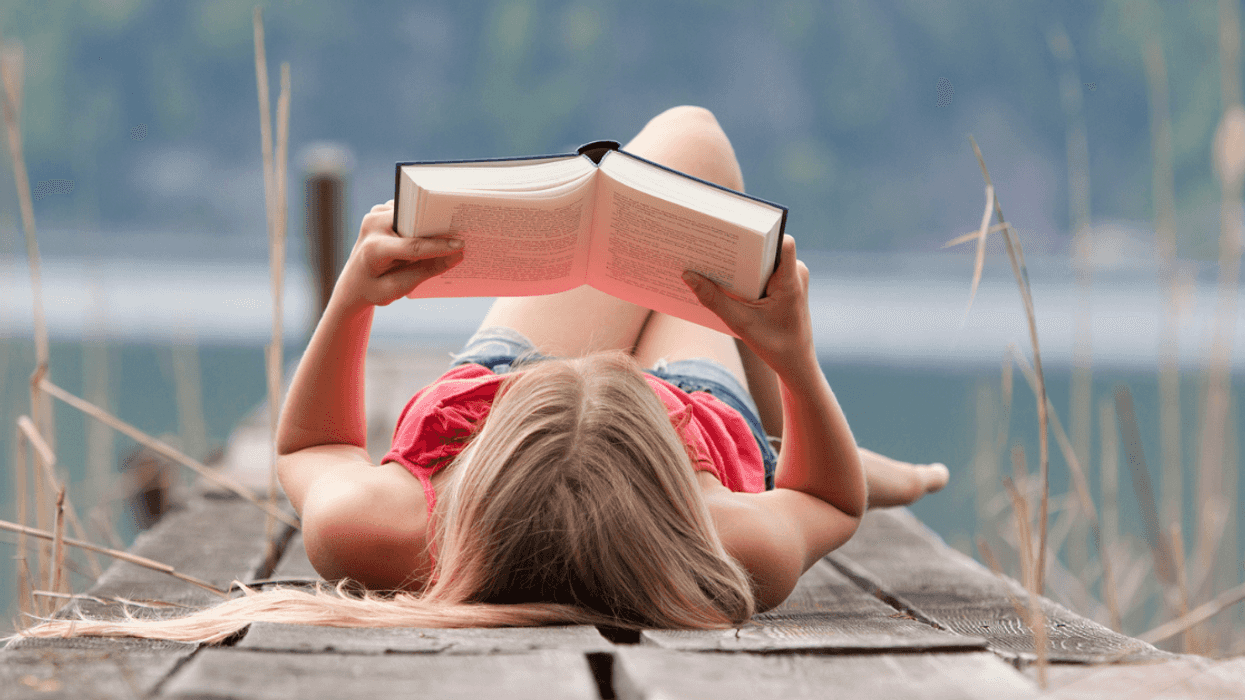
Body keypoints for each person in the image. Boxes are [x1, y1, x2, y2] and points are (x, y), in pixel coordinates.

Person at [17, 106, 947, 643]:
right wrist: (790, 353)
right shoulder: (720, 536)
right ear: (679, 485)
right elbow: (826, 501)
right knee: (691, 145)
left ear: (475, 459)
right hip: (700, 419)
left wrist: (351, 300)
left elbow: (309, 443)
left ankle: (787, 420)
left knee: (682, 170)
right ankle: (791, 429)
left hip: (589, 433)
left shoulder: (381, 529)